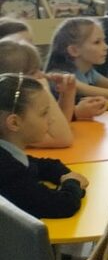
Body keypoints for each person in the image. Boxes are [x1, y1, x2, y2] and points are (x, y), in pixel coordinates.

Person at [0, 72, 89, 218]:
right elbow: (61, 205)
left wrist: (66, 176)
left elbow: (44, 165)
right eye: (44, 113)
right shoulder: (7, 170)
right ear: (14, 122)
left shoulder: (9, 155)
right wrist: (73, 183)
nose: (51, 119)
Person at [0, 37, 107, 147]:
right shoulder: (11, 127)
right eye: (33, 72)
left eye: (39, 69)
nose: (42, 75)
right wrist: (44, 89)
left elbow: (55, 124)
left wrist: (68, 93)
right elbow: (63, 138)